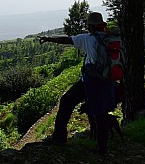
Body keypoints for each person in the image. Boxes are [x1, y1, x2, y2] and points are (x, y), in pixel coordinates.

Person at [39, 11, 117, 154]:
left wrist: (49, 38)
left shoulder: (88, 39)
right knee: (101, 113)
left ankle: (59, 137)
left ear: (91, 27)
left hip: (91, 80)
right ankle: (102, 147)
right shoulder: (109, 38)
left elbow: (67, 40)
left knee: (67, 101)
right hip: (107, 79)